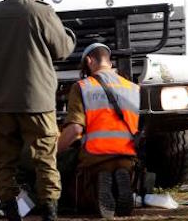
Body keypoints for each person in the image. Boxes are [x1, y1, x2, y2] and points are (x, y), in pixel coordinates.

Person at [0, 0, 76, 221]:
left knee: (4, 161)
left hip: (1, 102)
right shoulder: (42, 11)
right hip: (38, 103)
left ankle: (11, 212)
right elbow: (62, 50)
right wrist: (71, 37)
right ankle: (50, 213)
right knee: (45, 159)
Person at [58, 43, 139, 219]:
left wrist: (53, 152)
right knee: (122, 168)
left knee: (77, 177)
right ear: (109, 63)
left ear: (88, 61)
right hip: (127, 158)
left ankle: (100, 182)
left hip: (95, 159)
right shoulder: (133, 88)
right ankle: (122, 179)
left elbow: (75, 129)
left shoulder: (82, 87)